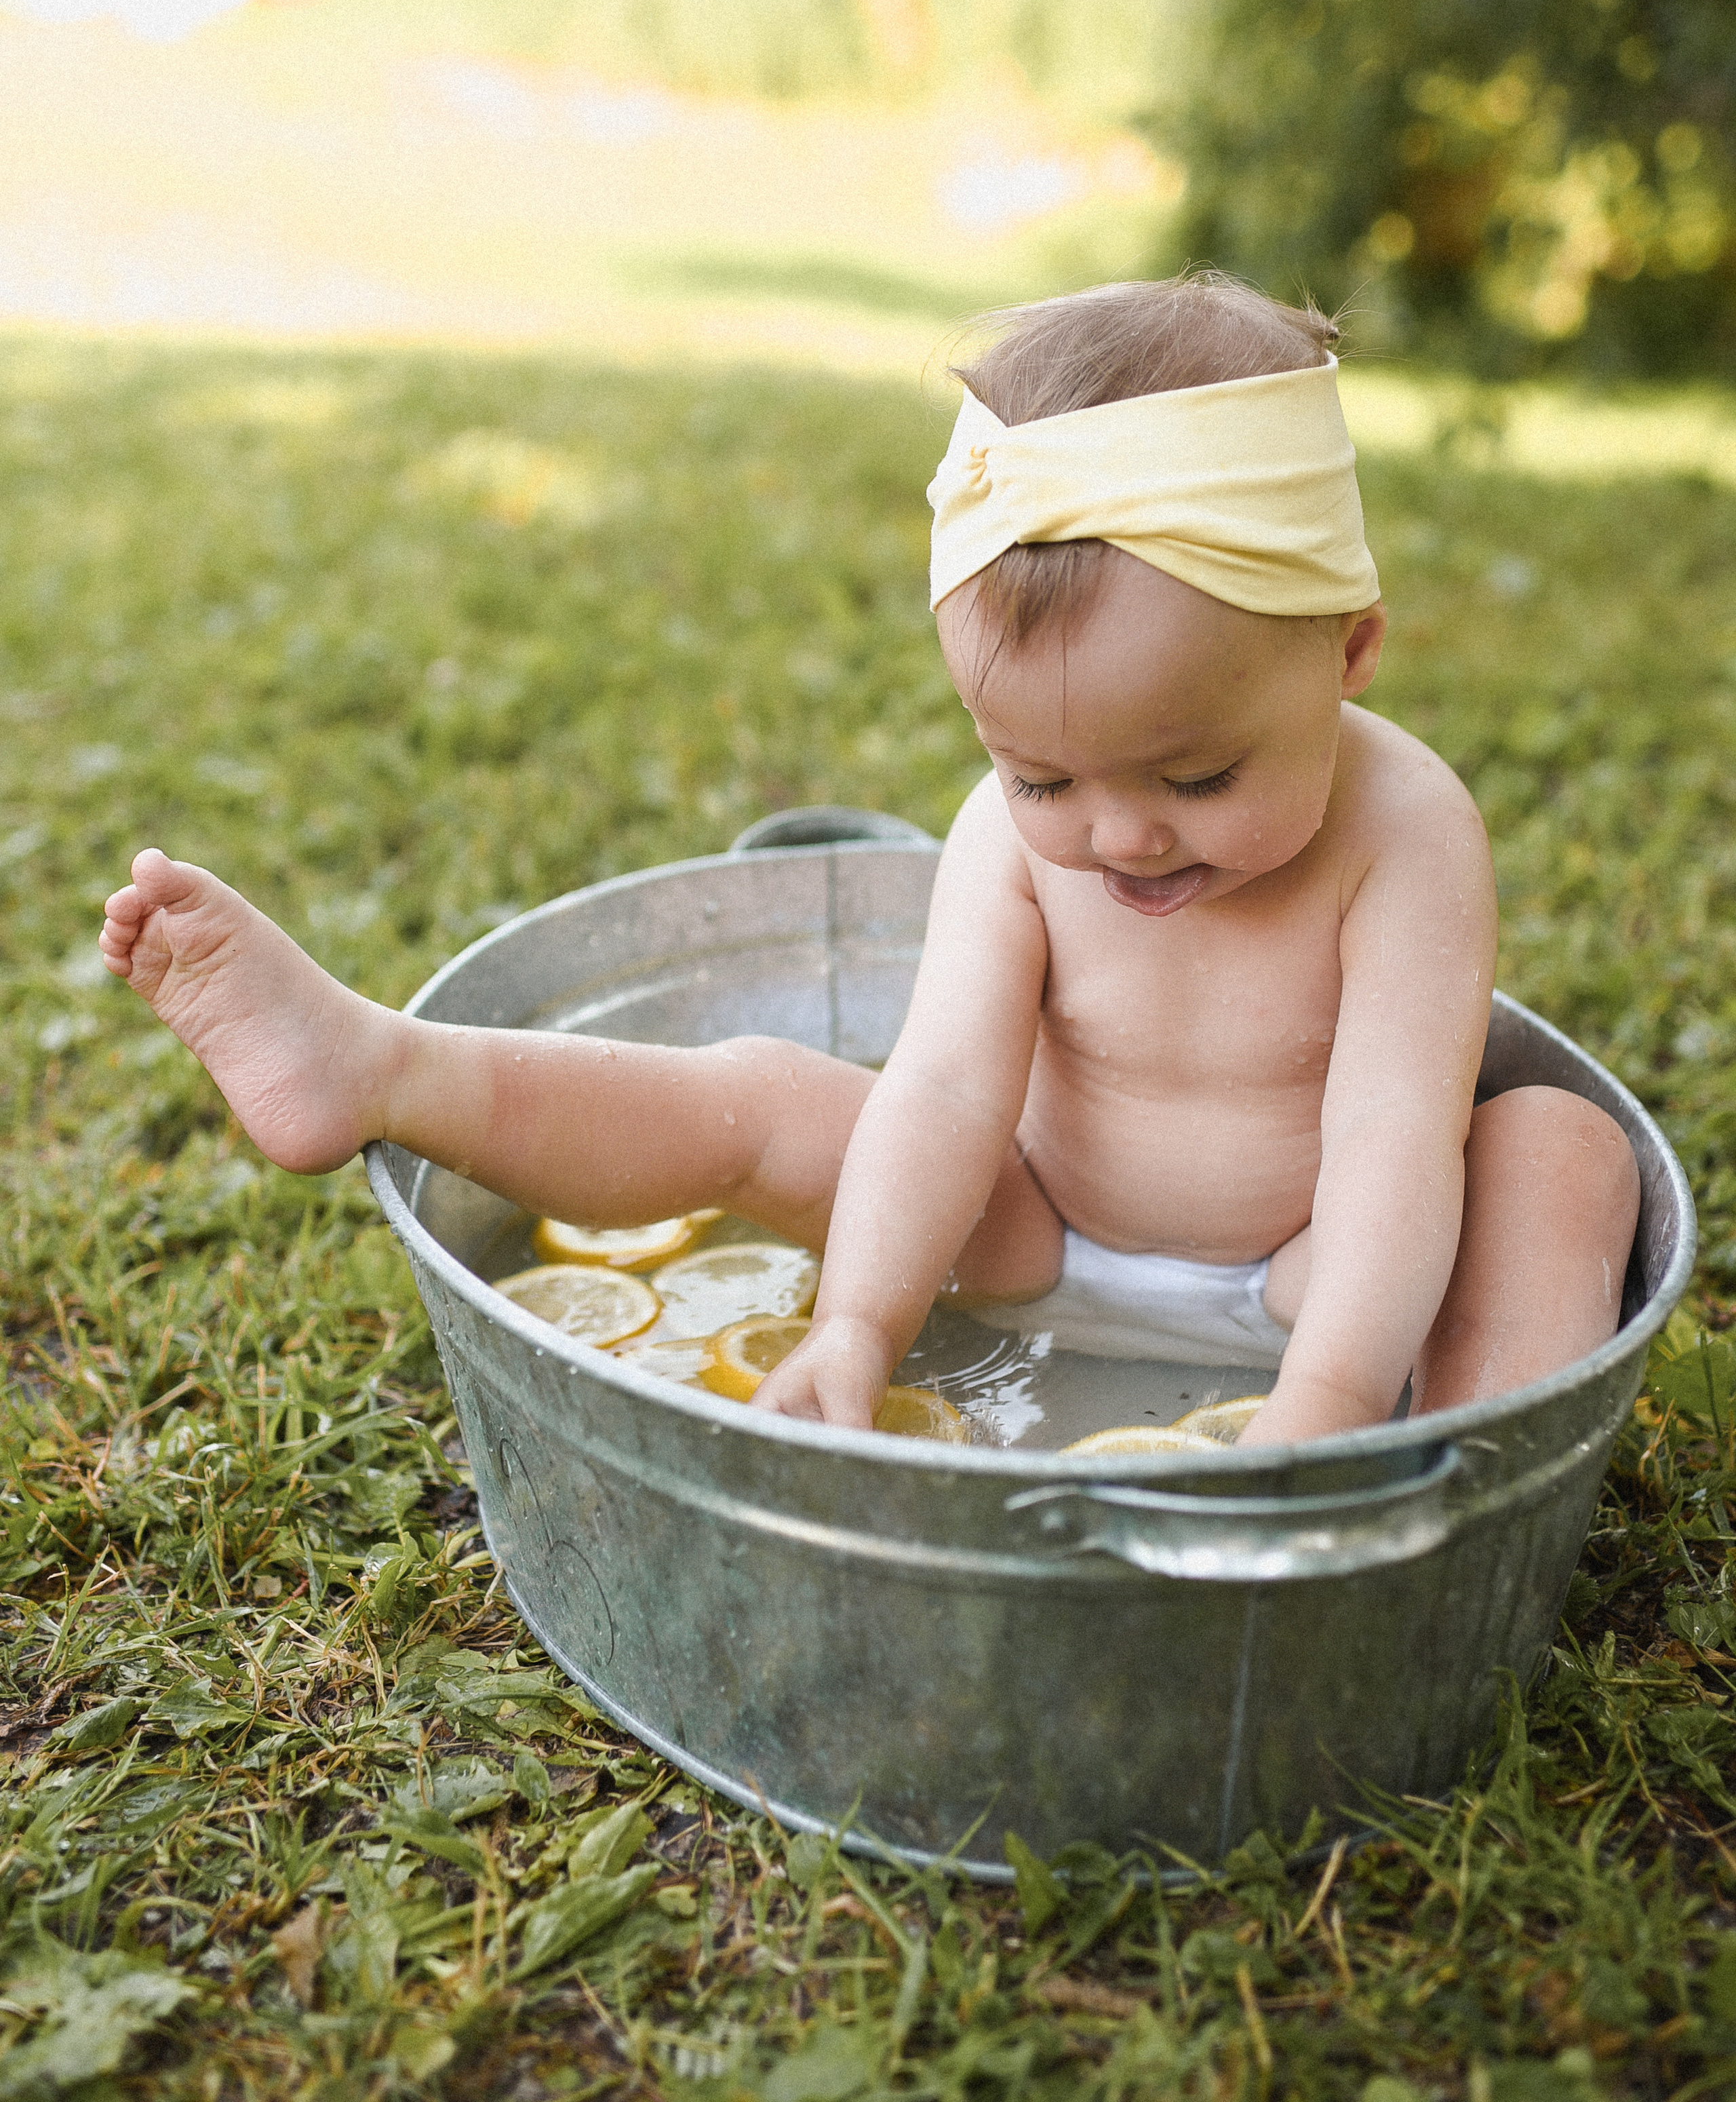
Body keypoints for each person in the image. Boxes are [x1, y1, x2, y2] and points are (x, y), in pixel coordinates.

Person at [99, 275, 1640, 1445]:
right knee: (763, 1095)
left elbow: (1383, 1137)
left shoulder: (1405, 830)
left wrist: (1320, 1400)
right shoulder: (1007, 843)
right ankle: (386, 1068)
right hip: (1024, 1227)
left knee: (1552, 1158)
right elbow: (950, 1094)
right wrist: (856, 1323)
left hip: (1314, 1273)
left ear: (1350, 653)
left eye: (1196, 773)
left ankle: (1449, 1463)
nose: (1115, 835)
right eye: (1038, 773)